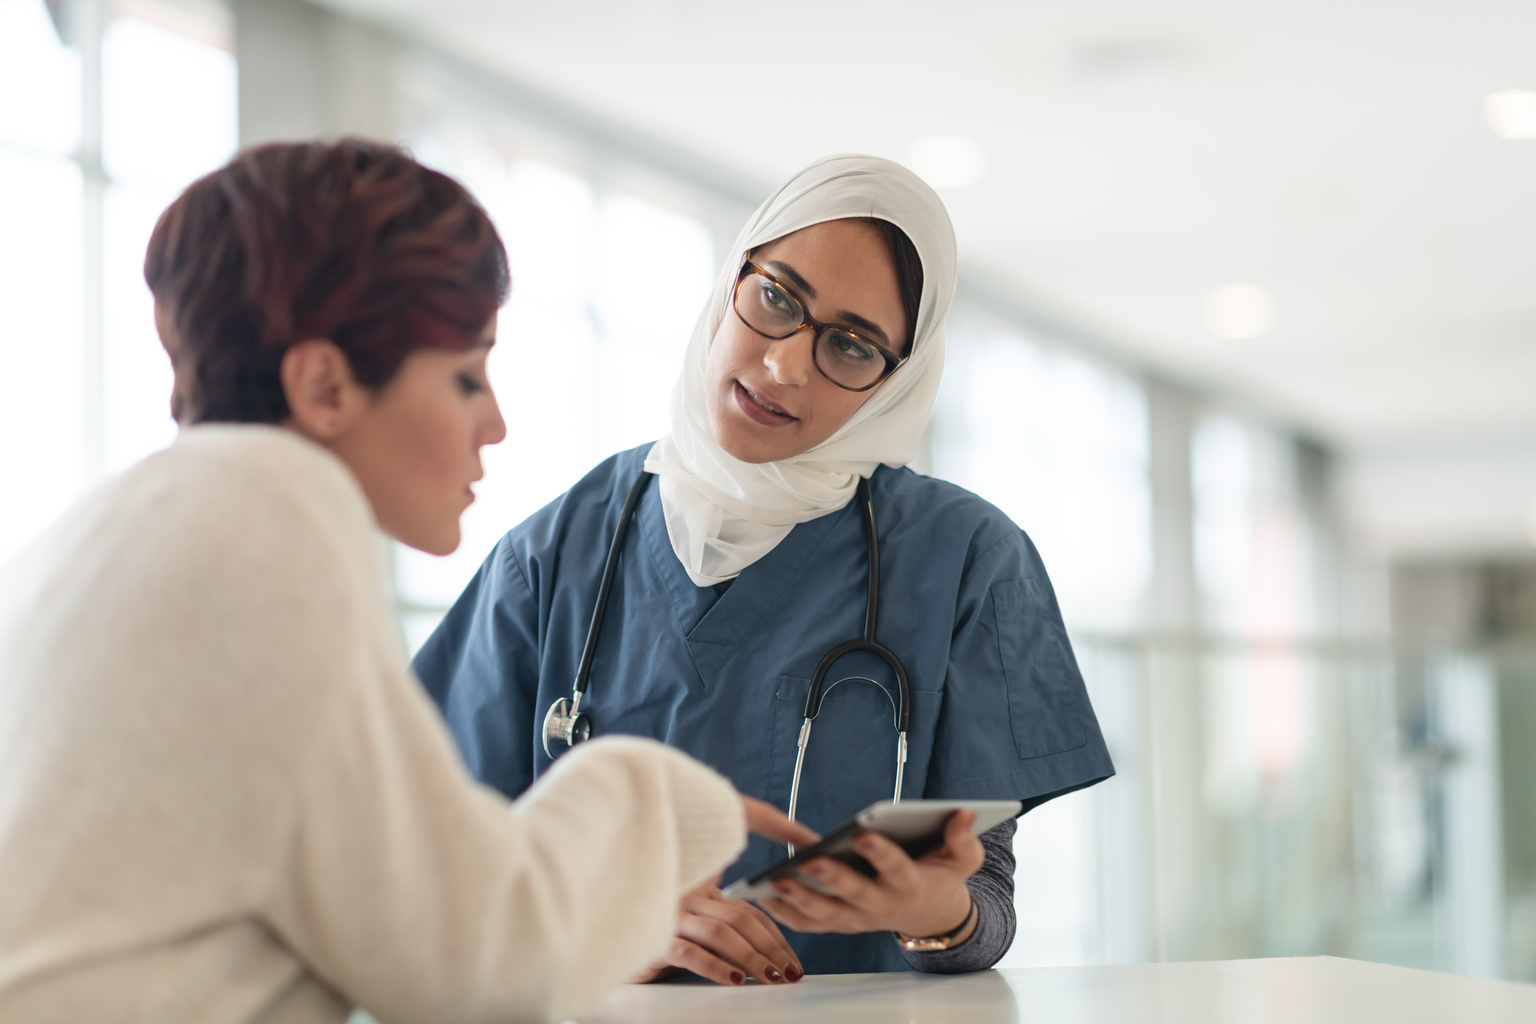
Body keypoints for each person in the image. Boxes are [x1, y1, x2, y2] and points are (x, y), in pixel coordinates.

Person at [0, 139, 812, 1024]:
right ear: (325, 386)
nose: (495, 424)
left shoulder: (125, 530)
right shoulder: (258, 538)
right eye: (468, 376)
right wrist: (663, 801)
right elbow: (479, 966)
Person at [414, 154, 1116, 980]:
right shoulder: (556, 552)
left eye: (852, 347)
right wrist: (601, 927)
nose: (785, 365)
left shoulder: (967, 561)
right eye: (778, 298)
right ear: (732, 279)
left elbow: (985, 906)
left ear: (897, 379)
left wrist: (932, 912)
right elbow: (436, 865)